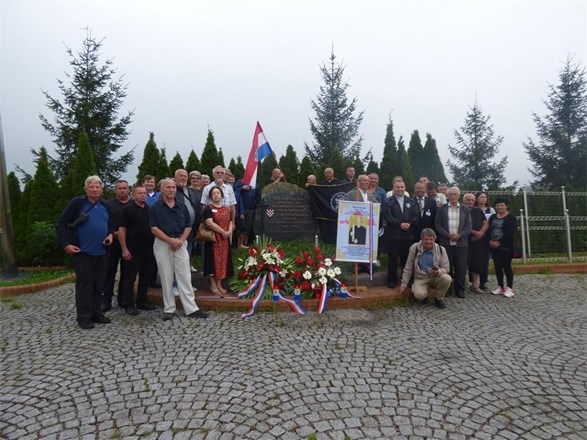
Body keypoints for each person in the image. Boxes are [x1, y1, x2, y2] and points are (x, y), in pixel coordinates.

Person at [56, 175, 114, 329]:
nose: (94, 189)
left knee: (98, 285)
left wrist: (110, 235)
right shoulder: (77, 203)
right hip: (82, 252)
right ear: (86, 189)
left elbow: (111, 226)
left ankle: (96, 313)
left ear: (102, 189)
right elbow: (61, 224)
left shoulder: (105, 205)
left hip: (101, 252)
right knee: (84, 286)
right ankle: (83, 317)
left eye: (97, 187)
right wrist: (65, 244)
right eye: (91, 187)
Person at [150, 178, 208, 320]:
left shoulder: (181, 206)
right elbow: (154, 228)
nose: (171, 190)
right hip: (163, 243)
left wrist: (181, 240)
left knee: (185, 276)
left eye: (173, 187)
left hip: (180, 242)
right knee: (166, 276)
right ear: (162, 189)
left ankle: (191, 308)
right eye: (168, 187)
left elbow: (188, 226)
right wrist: (170, 241)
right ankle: (169, 308)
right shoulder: (155, 207)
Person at [118, 185, 157, 315]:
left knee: (145, 276)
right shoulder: (127, 209)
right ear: (133, 195)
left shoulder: (149, 209)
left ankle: (142, 301)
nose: (143, 195)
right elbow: (122, 230)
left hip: (148, 248)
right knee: (130, 278)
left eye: (144, 193)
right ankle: (128, 303)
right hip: (133, 248)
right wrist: (124, 249)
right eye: (140, 193)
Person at [399, 228, 452, 309]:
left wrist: (438, 271)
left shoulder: (441, 249)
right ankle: (424, 294)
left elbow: (446, 268)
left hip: (435, 277)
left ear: (435, 239)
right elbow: (408, 267)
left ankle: (438, 298)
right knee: (419, 295)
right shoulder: (414, 248)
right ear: (421, 239)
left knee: (447, 278)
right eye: (426, 239)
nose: (428, 242)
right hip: (421, 277)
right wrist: (403, 284)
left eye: (431, 239)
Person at [435, 187, 472, 298]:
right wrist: (448, 235)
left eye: (455, 194)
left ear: (459, 195)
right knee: (447, 266)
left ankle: (460, 289)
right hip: (446, 242)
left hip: (461, 243)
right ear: (447, 196)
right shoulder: (442, 209)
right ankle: (447, 288)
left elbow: (469, 225)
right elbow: (437, 224)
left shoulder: (465, 209)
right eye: (450, 194)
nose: (453, 196)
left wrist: (460, 235)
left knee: (461, 267)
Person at [383, 178, 420, 288]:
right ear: (393, 188)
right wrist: (400, 224)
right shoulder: (388, 202)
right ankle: (391, 280)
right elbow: (388, 217)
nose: (400, 189)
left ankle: (407, 280)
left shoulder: (412, 201)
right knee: (393, 259)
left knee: (407, 260)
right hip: (394, 235)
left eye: (402, 187)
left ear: (405, 188)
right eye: (397, 187)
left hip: (408, 235)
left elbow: (416, 215)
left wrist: (409, 223)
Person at [101, 179, 131, 311]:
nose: (122, 190)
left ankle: (123, 300)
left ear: (129, 189)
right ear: (115, 190)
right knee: (109, 273)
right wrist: (114, 233)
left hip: (129, 244)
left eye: (125, 188)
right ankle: (106, 300)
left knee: (127, 273)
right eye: (120, 188)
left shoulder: (134, 204)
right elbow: (104, 223)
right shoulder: (108, 205)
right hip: (112, 243)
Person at [202, 186, 234, 295]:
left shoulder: (226, 208)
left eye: (218, 193)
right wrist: (223, 232)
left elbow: (230, 221)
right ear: (210, 196)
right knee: (212, 262)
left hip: (224, 240)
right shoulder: (208, 208)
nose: (216, 195)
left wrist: (229, 232)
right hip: (213, 239)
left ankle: (219, 284)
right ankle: (213, 284)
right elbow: (209, 223)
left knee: (222, 262)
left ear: (222, 195)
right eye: (214, 193)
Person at [488, 197, 517, 298]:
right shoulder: (492, 217)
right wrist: (490, 241)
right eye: (497, 205)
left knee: (507, 266)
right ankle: (500, 286)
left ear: (506, 206)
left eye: (502, 205)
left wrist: (499, 242)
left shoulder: (511, 218)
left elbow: (510, 233)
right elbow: (488, 229)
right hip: (493, 245)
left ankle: (510, 288)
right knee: (497, 266)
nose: (499, 207)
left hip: (505, 246)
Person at [174, 168, 201, 269]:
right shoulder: (173, 189)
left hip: (191, 227)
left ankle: (186, 272)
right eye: (181, 176)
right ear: (175, 177)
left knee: (188, 250)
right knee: (178, 254)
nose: (183, 178)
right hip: (178, 229)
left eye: (185, 176)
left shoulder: (189, 191)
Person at [463, 193, 489, 294]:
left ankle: (475, 285)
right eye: (468, 200)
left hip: (478, 241)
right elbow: (463, 225)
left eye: (472, 200)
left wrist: (481, 233)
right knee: (463, 264)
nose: (470, 202)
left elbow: (486, 223)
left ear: (475, 201)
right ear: (464, 200)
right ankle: (461, 285)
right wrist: (475, 233)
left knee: (476, 263)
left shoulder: (478, 211)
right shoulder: (462, 210)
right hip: (465, 241)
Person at [475, 191, 496, 291]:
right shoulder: (474, 209)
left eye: (485, 197)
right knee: (475, 260)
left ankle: (483, 282)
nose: (483, 199)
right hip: (475, 237)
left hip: (486, 237)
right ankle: (474, 281)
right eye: (481, 197)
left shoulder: (490, 210)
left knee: (485, 260)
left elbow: (494, 222)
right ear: (477, 199)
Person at [233, 178, 259, 249]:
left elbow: (257, 195)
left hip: (251, 208)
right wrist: (242, 188)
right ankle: (239, 244)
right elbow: (235, 190)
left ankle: (245, 243)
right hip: (241, 207)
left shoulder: (255, 184)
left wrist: (256, 205)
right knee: (241, 226)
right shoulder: (240, 181)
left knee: (249, 226)